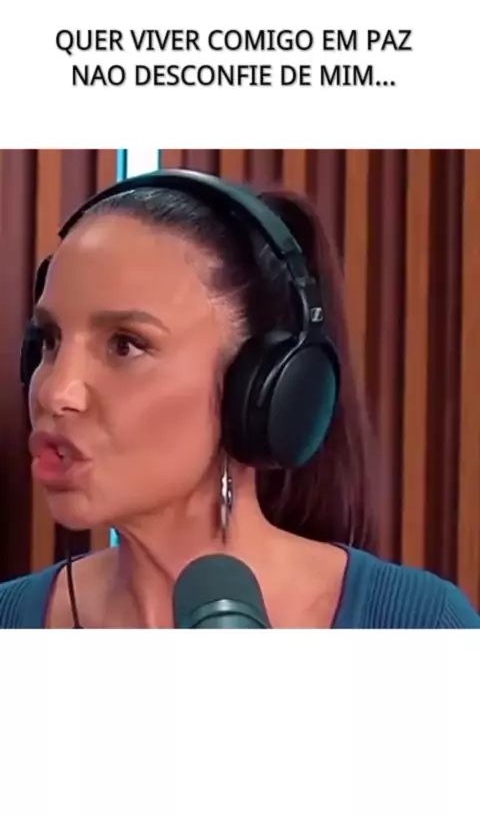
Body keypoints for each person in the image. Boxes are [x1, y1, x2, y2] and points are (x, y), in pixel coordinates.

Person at [0, 170, 478, 628]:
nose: (56, 391)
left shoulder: (422, 623)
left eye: (126, 344)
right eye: (49, 341)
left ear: (261, 387)